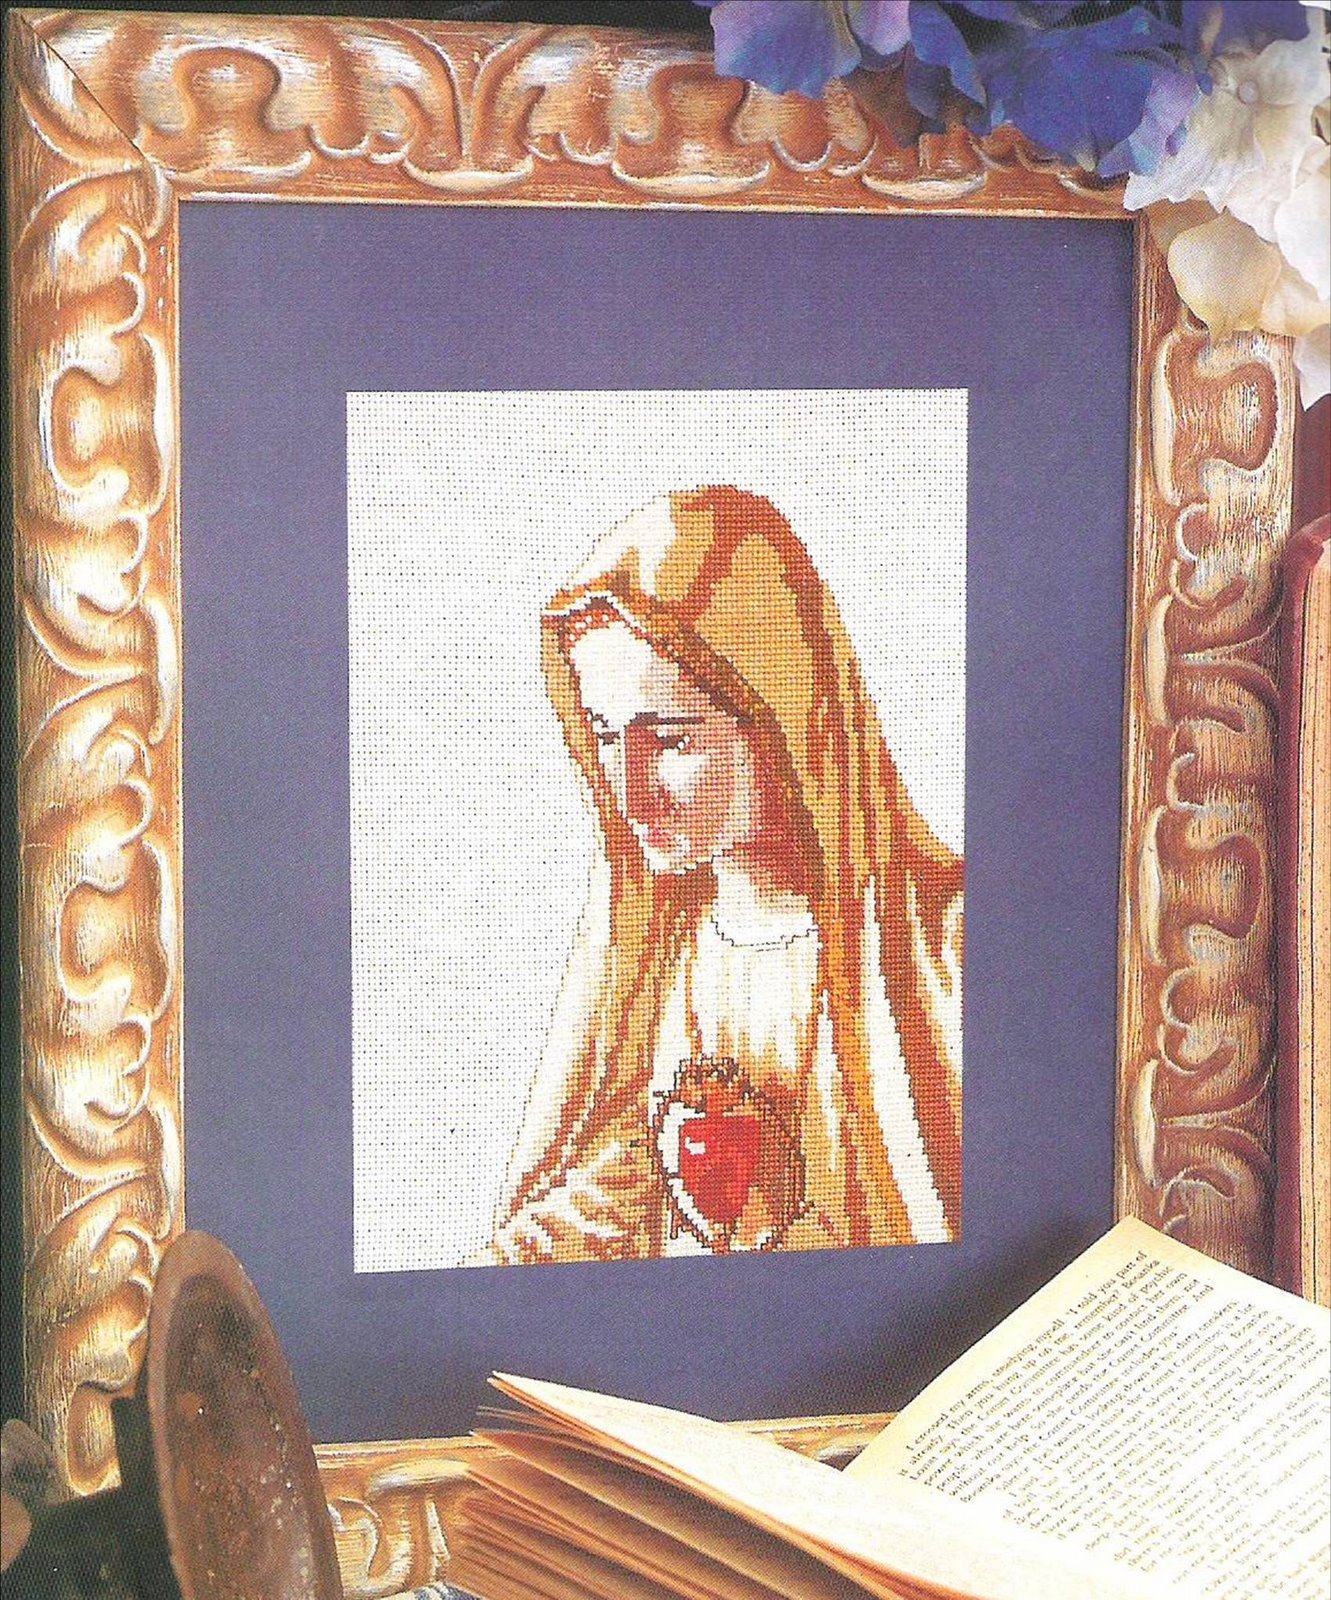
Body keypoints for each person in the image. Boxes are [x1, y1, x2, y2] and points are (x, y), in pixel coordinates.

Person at [484, 486, 962, 1265]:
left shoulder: (943, 949)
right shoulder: (658, 956)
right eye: (604, 736)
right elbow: (619, 1188)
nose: (628, 792)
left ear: (778, 718)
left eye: (670, 740)